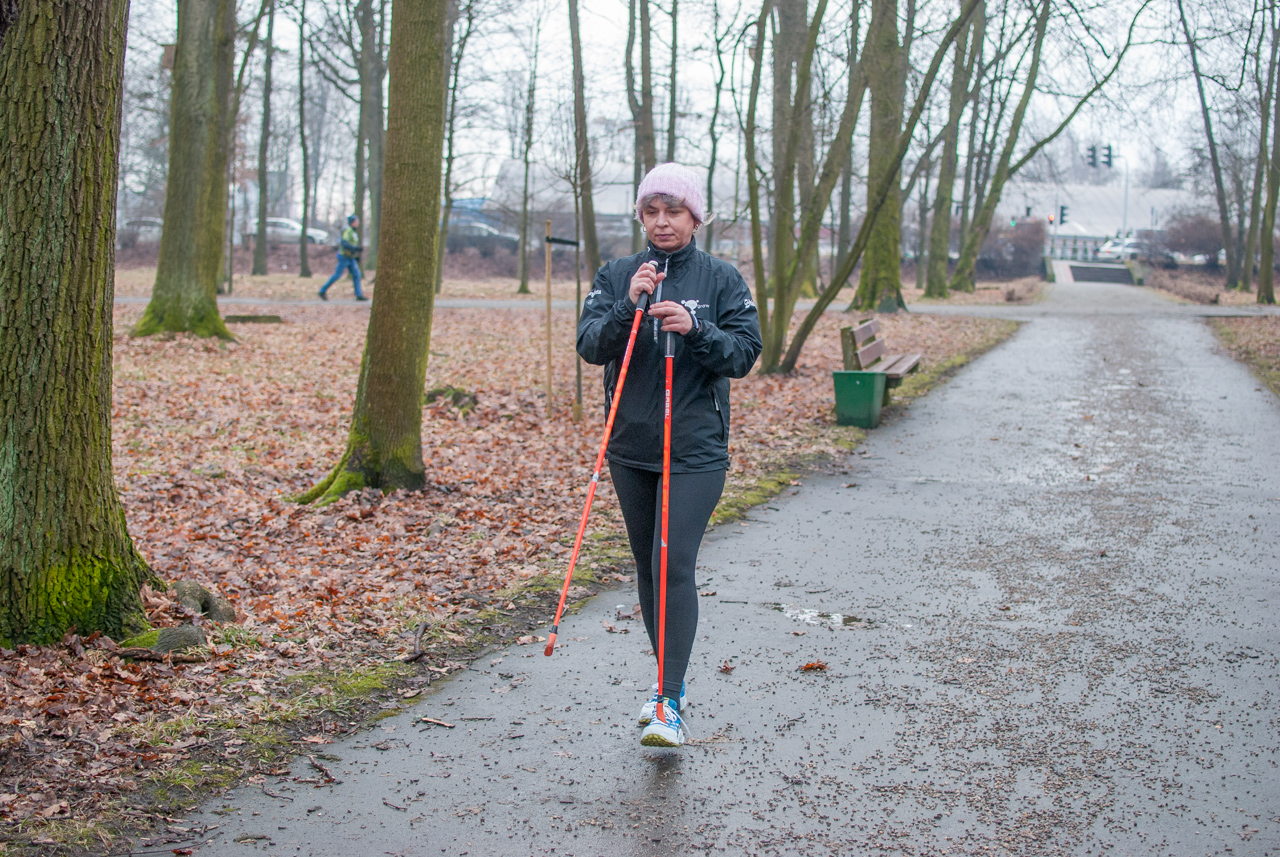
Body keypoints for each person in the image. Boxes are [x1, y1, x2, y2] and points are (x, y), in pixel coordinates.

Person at [577, 163, 762, 748]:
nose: (661, 222)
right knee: (646, 565)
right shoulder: (617, 273)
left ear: (695, 217)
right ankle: (663, 686)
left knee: (672, 562)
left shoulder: (721, 279)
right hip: (630, 446)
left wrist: (696, 331)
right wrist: (627, 307)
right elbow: (590, 346)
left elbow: (744, 354)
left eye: (673, 211)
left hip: (694, 449)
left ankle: (669, 700)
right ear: (640, 216)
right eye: (651, 211)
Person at [319, 214, 366, 301]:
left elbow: (351, 245)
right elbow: (345, 243)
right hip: (344, 257)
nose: (358, 223)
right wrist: (355, 249)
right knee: (337, 275)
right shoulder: (348, 230)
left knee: (357, 275)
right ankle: (322, 291)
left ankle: (359, 295)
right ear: (352, 222)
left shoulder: (353, 231)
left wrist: (355, 256)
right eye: (356, 222)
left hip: (351, 258)